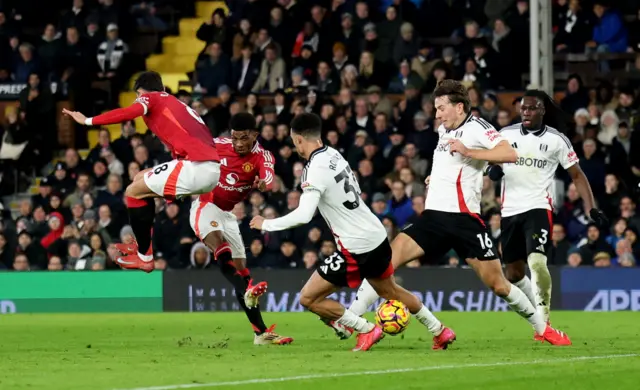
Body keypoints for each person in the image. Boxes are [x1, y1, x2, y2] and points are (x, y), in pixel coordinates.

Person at [346, 80, 572, 346]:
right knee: (383, 264)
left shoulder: (477, 128)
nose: (437, 114)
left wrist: (469, 151)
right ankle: (351, 321)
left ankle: (543, 329)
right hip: (433, 218)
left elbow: (509, 153)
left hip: (465, 222)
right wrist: (436, 178)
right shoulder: (444, 130)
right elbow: (452, 164)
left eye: (441, 108)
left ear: (459, 107)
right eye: (436, 108)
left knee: (498, 285)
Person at [249, 113, 453, 352]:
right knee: (389, 291)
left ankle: (365, 329)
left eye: (295, 142)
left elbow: (304, 215)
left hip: (356, 246)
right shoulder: (334, 154)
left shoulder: (313, 169)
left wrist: (266, 224)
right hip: (376, 236)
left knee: (308, 298)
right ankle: (439, 330)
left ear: (299, 139)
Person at [62, 71, 221, 272]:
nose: (138, 99)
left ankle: (144, 255)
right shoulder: (177, 104)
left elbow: (128, 112)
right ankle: (143, 247)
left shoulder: (152, 97)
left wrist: (87, 121)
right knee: (139, 178)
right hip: (208, 169)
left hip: (197, 167)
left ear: (142, 91)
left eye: (138, 95)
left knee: (132, 192)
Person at [488, 90, 607, 331]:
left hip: (538, 207)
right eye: (523, 108)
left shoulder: (557, 140)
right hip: (510, 211)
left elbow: (577, 174)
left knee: (537, 262)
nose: (526, 112)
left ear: (542, 110)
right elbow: (490, 164)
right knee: (513, 273)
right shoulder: (505, 135)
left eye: (531, 108)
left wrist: (590, 207)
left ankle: (543, 319)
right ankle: (538, 308)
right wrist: (492, 171)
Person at [190, 113, 292, 345]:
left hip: (227, 215)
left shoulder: (262, 156)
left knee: (241, 270)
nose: (238, 144)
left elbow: (268, 176)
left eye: (243, 138)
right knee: (221, 247)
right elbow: (191, 150)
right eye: (234, 138)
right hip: (205, 205)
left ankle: (260, 334)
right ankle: (246, 294)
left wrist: (265, 183)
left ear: (255, 135)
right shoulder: (219, 144)